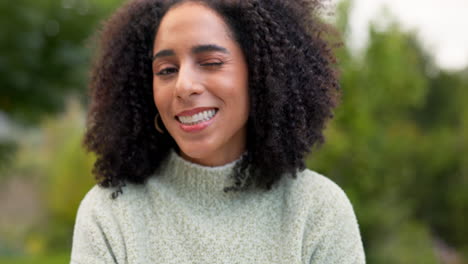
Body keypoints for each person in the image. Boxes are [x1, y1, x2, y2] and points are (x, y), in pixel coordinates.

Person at [71, 0, 366, 263]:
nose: (184, 86)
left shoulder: (317, 210)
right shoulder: (110, 214)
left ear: (262, 74)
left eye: (211, 63)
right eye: (166, 70)